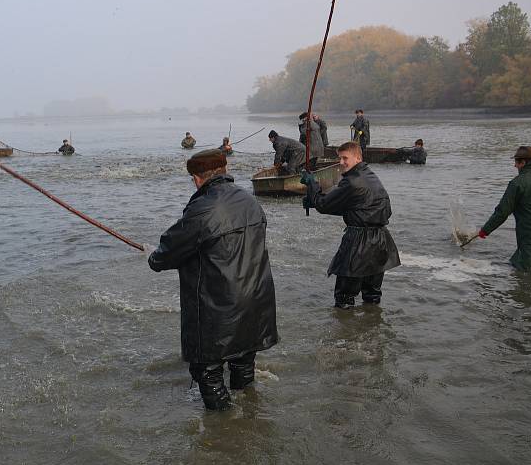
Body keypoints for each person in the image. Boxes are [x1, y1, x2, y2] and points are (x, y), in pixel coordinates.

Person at [147, 149, 278, 410]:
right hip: (255, 298)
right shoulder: (249, 200)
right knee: (243, 362)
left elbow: (164, 256)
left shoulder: (202, 209)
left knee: (208, 372)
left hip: (217, 308)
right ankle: (250, 417)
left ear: (196, 178)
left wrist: (153, 256)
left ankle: (222, 434)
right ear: (224, 170)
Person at [303, 141, 400, 309]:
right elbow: (361, 208)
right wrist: (314, 201)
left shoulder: (352, 182)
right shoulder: (370, 176)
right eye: (339, 158)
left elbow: (323, 205)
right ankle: (372, 328)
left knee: (344, 297)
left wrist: (312, 184)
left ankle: (346, 332)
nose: (341, 162)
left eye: (344, 158)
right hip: (381, 242)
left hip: (359, 244)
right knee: (372, 294)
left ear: (357, 157)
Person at [477, 146, 531, 271]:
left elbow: (502, 212)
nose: (514, 166)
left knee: (528, 271)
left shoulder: (518, 183)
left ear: (523, 163)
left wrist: (485, 230)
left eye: (516, 162)